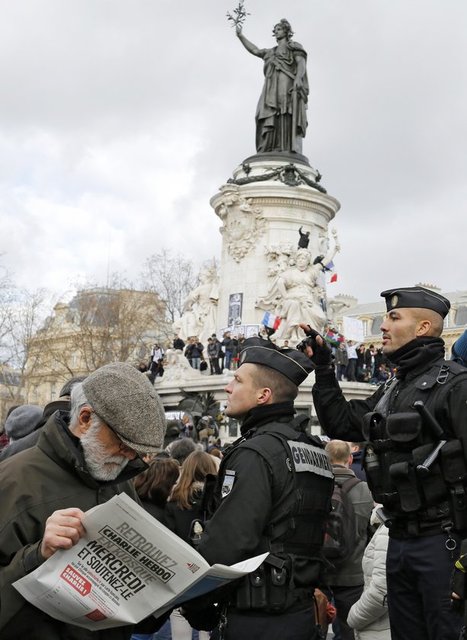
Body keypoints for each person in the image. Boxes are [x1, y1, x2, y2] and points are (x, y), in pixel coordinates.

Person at [307, 286, 467, 640]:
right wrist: (323, 369)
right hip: (400, 540)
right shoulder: (393, 388)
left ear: (423, 327)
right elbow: (344, 425)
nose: (383, 325)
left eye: (394, 317)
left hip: (445, 545)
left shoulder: (456, 385)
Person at [0, 362, 167, 639]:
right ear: (86, 418)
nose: (128, 457)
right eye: (122, 444)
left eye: (135, 451)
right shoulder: (13, 481)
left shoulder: (120, 480)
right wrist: (37, 555)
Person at [192, 336, 334, 640]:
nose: (228, 388)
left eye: (237, 380)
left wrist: (194, 602)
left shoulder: (255, 453)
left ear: (263, 395)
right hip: (300, 612)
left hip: (255, 618)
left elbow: (230, 540)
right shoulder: (313, 449)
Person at [235, 19, 308, 154]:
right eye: (275, 30)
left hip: (286, 81)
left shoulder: (294, 47)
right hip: (271, 86)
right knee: (264, 113)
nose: (275, 32)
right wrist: (241, 36)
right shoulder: (270, 52)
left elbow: (301, 63)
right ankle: (269, 146)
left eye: (279, 29)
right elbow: (255, 50)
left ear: (286, 31)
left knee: (285, 110)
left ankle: (285, 146)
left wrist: (298, 78)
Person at [324, 440, 373, 640]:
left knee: (316, 623)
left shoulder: (317, 487)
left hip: (320, 571)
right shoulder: (365, 490)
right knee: (349, 629)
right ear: (350, 459)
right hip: (352, 575)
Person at [347, 507, 391, 640]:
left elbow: (382, 591)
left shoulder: (388, 529)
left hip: (382, 629)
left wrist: (354, 617)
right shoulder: (385, 525)